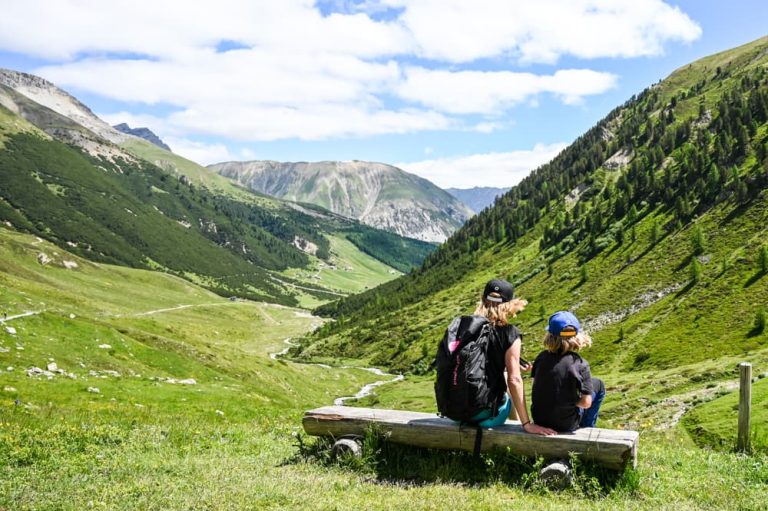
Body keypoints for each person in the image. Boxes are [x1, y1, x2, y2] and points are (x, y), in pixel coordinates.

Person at [468, 279, 556, 436]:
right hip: (486, 417)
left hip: (455, 410)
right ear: (509, 304)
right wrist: (528, 424)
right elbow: (514, 380)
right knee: (510, 381)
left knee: (505, 375)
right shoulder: (509, 333)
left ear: (483, 299)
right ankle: (518, 427)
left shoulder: (464, 326)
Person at [531, 311, 606, 432]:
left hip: (540, 420)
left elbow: (537, 387)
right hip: (566, 424)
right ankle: (587, 427)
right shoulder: (580, 363)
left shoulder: (541, 357)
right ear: (576, 336)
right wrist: (572, 400)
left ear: (550, 335)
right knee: (598, 384)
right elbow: (586, 403)